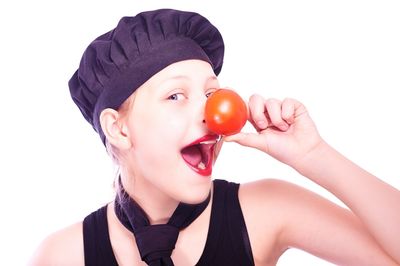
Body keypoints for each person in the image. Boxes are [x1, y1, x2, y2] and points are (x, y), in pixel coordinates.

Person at [29, 8, 400, 266]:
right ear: (119, 128)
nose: (211, 114)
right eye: (176, 96)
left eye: (211, 94)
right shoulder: (62, 255)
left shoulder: (266, 209)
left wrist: (314, 155)